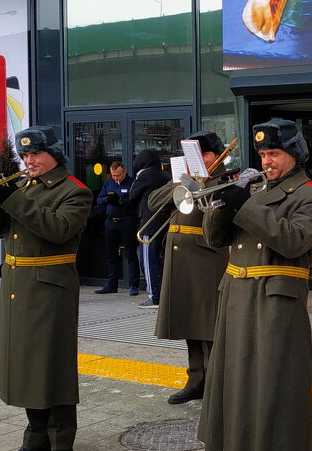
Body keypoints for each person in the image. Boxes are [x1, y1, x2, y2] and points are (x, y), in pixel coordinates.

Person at [199, 119, 312, 451]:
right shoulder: (254, 191)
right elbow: (213, 240)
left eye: (273, 154)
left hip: (276, 305)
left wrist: (246, 205)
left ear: (295, 155)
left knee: (280, 394)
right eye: (262, 155)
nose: (266, 162)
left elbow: (293, 240)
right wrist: (221, 203)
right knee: (246, 390)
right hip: (237, 299)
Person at [0, 125, 92, 451]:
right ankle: (35, 438)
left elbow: (57, 229)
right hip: (18, 282)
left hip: (49, 286)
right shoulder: (24, 186)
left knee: (51, 363)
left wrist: (12, 197)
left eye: (35, 154)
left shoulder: (74, 191)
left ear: (54, 155)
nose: (29, 161)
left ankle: (61, 441)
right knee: (26, 363)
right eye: (24, 155)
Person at [147, 130, 230, 404]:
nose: (199, 160)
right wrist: (180, 183)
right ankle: (195, 379)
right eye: (193, 155)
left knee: (209, 325)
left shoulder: (226, 181)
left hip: (207, 258)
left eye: (204, 154)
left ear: (218, 156)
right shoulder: (182, 180)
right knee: (189, 323)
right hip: (180, 260)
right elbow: (152, 203)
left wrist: (200, 185)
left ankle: (217, 382)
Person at [128, 148, 170, 309]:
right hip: (165, 223)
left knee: (148, 261)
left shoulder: (144, 174)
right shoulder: (165, 174)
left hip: (149, 224)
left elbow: (132, 195)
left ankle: (154, 296)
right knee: (161, 260)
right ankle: (163, 294)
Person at [95, 160, 139, 296]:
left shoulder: (132, 183)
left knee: (130, 254)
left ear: (124, 171)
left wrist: (120, 200)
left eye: (118, 175)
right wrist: (107, 200)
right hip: (110, 222)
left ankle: (133, 285)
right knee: (111, 254)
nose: (116, 178)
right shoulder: (108, 183)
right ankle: (112, 284)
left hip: (126, 222)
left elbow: (134, 203)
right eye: (113, 175)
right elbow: (99, 199)